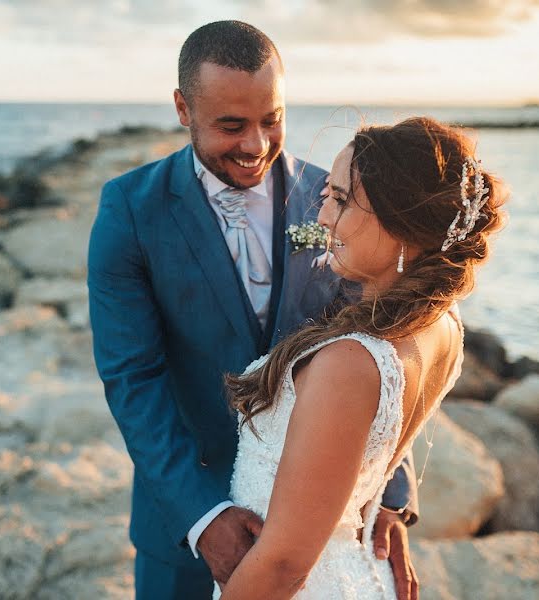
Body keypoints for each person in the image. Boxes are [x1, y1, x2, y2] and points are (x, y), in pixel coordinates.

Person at [88, 20, 420, 600]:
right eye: (232, 126)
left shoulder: (333, 200)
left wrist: (388, 499)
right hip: (183, 528)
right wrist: (202, 515)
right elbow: (131, 378)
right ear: (183, 108)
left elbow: (382, 349)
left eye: (273, 120)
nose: (257, 146)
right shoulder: (129, 209)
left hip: (324, 522)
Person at [216, 118, 507, 598]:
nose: (322, 218)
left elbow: (284, 563)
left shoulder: (348, 365)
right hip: (353, 568)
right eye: (327, 196)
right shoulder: (443, 324)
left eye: (341, 200)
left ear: (403, 225)